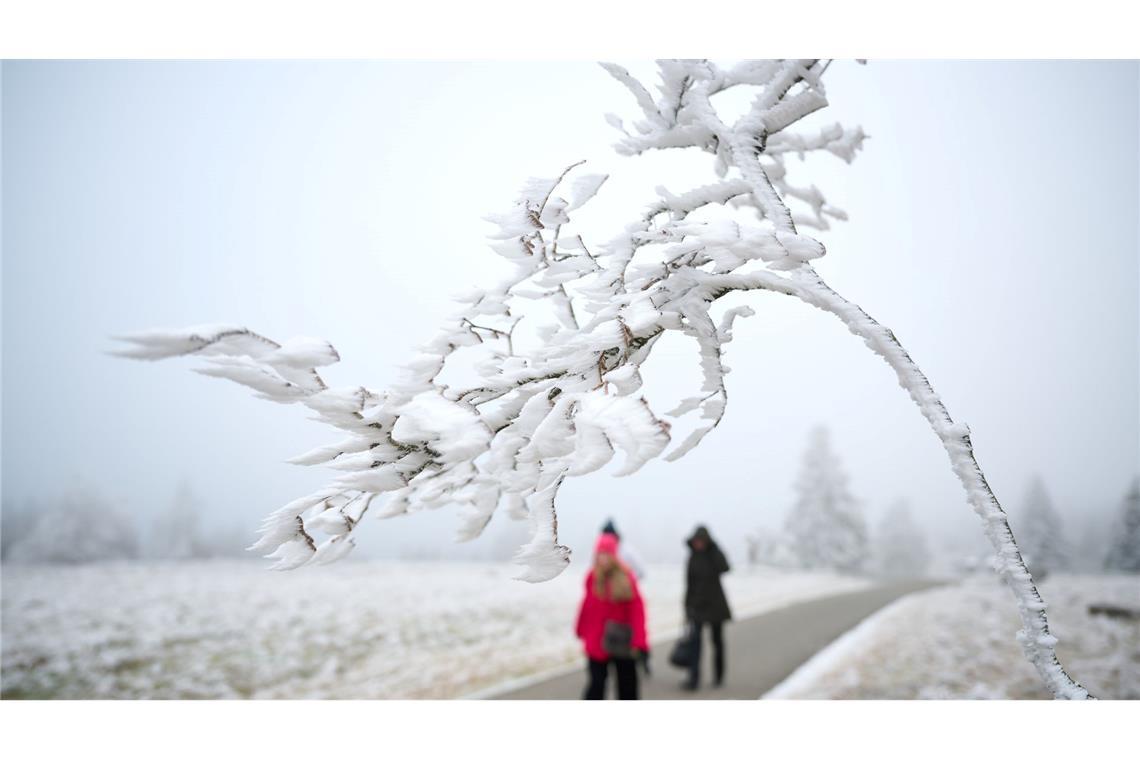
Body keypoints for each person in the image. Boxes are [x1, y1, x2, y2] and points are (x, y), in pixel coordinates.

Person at [575, 533, 649, 699]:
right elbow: (586, 605)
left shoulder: (626, 577)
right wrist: (580, 628)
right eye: (600, 554)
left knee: (627, 686)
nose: (603, 559)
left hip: (622, 641)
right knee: (596, 685)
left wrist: (640, 641)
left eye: (607, 554)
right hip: (596, 640)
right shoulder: (592, 577)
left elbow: (637, 611)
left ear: (614, 555)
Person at [682, 525, 731, 690]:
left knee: (717, 642)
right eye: (696, 541)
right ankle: (693, 679)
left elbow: (725, 567)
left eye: (701, 541)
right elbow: (689, 584)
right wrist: (687, 607)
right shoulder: (692, 558)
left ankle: (718, 676)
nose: (698, 544)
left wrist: (714, 548)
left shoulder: (713, 555)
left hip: (716, 605)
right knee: (695, 644)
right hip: (697, 606)